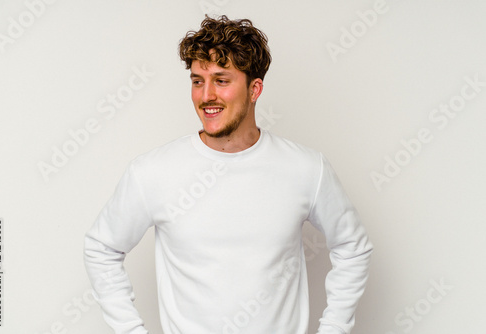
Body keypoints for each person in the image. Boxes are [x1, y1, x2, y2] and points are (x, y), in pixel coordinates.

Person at [84, 15, 373, 334]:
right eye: (197, 81)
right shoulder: (152, 172)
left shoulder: (306, 168)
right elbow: (101, 247)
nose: (206, 95)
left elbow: (353, 246)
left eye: (221, 80)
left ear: (254, 89)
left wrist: (334, 327)